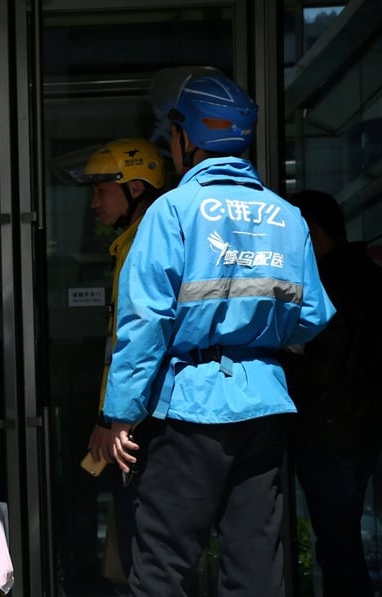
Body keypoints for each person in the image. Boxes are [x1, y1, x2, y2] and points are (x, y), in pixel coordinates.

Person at [102, 68, 335, 596]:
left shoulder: (172, 211)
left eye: (174, 134)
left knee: (162, 567)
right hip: (265, 408)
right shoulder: (286, 215)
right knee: (257, 570)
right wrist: (260, 335)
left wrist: (119, 413)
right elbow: (314, 315)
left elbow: (144, 323)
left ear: (188, 139)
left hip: (188, 410)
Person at [67, 138, 167, 583]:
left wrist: (113, 418)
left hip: (143, 422)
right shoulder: (133, 242)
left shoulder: (145, 243)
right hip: (138, 418)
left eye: (102, 189)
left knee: (146, 547)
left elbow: (139, 340)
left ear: (137, 188)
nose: (94, 203)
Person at [279, 189, 382, 597]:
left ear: (312, 234)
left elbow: (323, 369)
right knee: (344, 544)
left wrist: (276, 364)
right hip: (363, 428)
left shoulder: (329, 284)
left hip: (331, 431)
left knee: (338, 549)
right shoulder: (371, 275)